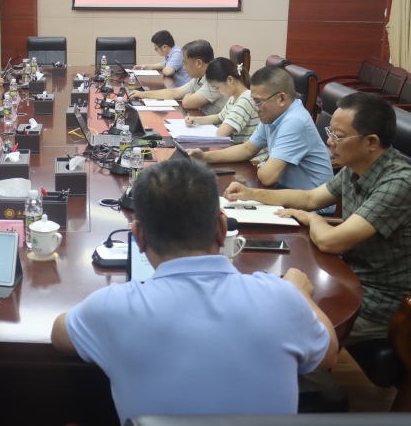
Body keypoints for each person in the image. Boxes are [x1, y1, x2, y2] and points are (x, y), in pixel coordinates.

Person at [50, 160, 337, 422]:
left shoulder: (110, 308)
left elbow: (60, 335)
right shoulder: (282, 299)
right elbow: (328, 354)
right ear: (222, 229)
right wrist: (299, 291)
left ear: (138, 236)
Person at [224, 92, 411, 354]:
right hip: (347, 275)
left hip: (380, 299)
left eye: (338, 136)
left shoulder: (399, 183)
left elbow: (330, 241)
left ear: (371, 142)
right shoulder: (355, 166)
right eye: (330, 132)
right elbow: (310, 198)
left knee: (281, 329)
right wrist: (251, 194)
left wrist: (313, 218)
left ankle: (316, 378)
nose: (329, 142)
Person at [187, 66, 334, 215]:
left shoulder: (295, 121)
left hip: (311, 208)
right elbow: (246, 150)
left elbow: (267, 177)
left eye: (258, 102)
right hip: (284, 195)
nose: (255, 108)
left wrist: (263, 165)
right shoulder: (273, 115)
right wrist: (205, 157)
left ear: (281, 99)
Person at [184, 57, 267, 162]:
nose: (217, 92)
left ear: (230, 79)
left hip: (253, 160)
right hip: (240, 153)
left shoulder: (245, 100)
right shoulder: (234, 97)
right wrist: (196, 120)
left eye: (217, 87)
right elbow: (220, 117)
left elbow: (221, 133)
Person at [131, 39, 226, 115]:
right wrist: (143, 94)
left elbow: (188, 103)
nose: (184, 67)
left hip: (215, 129)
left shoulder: (214, 80)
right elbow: (174, 92)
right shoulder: (199, 77)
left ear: (198, 63)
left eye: (186, 63)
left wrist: (187, 96)